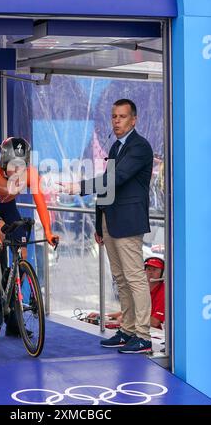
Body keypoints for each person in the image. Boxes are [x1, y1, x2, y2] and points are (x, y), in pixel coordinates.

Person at [60, 99, 153, 353]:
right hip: (110, 221)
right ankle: (127, 331)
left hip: (128, 222)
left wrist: (79, 187)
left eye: (122, 117)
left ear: (133, 120)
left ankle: (143, 337)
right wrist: (99, 223)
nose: (117, 121)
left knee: (135, 278)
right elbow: (107, 189)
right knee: (121, 280)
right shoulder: (116, 147)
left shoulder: (140, 147)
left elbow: (116, 178)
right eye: (114, 116)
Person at [0, 137, 58, 330]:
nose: (18, 172)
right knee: (1, 235)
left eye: (22, 167)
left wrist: (49, 231)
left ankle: (12, 284)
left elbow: (40, 204)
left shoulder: (30, 174)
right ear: (3, 161)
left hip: (7, 204)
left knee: (23, 251)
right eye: (13, 167)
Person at [107, 256, 165, 329]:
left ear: (162, 273)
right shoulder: (143, 288)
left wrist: (128, 319)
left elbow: (155, 322)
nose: (150, 272)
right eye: (148, 269)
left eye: (154, 269)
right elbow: (131, 310)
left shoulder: (164, 292)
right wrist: (104, 316)